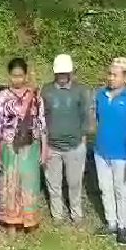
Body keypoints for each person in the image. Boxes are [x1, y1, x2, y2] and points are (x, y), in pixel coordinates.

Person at [0, 57, 47, 235]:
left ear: (26, 75)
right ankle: (11, 222)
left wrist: (44, 149)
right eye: (14, 76)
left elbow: (42, 123)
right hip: (9, 146)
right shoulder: (2, 97)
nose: (17, 79)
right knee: (10, 183)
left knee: (29, 182)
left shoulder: (35, 97)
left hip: (31, 146)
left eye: (20, 75)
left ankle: (28, 220)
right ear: (9, 75)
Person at [93, 57, 126, 244]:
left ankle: (124, 226)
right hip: (101, 150)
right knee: (105, 188)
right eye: (109, 74)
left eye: (115, 75)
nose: (110, 78)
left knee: (121, 189)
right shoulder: (101, 95)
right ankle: (111, 222)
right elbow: (99, 119)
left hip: (122, 152)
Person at [41, 54, 89, 224]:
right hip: (52, 146)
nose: (61, 76)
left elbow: (85, 116)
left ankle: (76, 213)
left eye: (64, 73)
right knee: (53, 183)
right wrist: (44, 144)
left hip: (74, 145)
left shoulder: (80, 91)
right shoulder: (46, 90)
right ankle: (57, 214)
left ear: (70, 73)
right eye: (59, 73)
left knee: (74, 182)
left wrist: (83, 140)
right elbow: (42, 117)